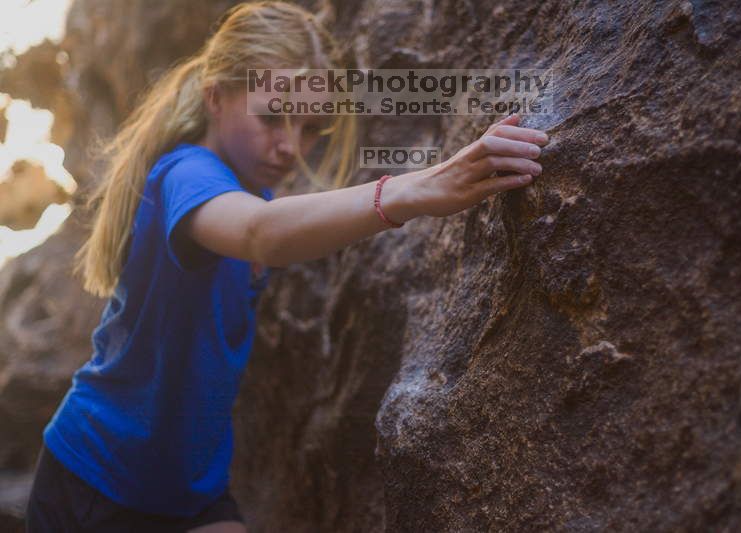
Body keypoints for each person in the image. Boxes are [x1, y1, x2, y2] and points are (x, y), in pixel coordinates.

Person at [24, 1, 548, 531]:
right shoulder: (186, 173)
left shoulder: (251, 187)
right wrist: (420, 187)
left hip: (189, 490)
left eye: (311, 128)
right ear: (215, 97)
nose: (289, 146)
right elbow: (261, 233)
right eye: (272, 115)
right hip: (97, 480)